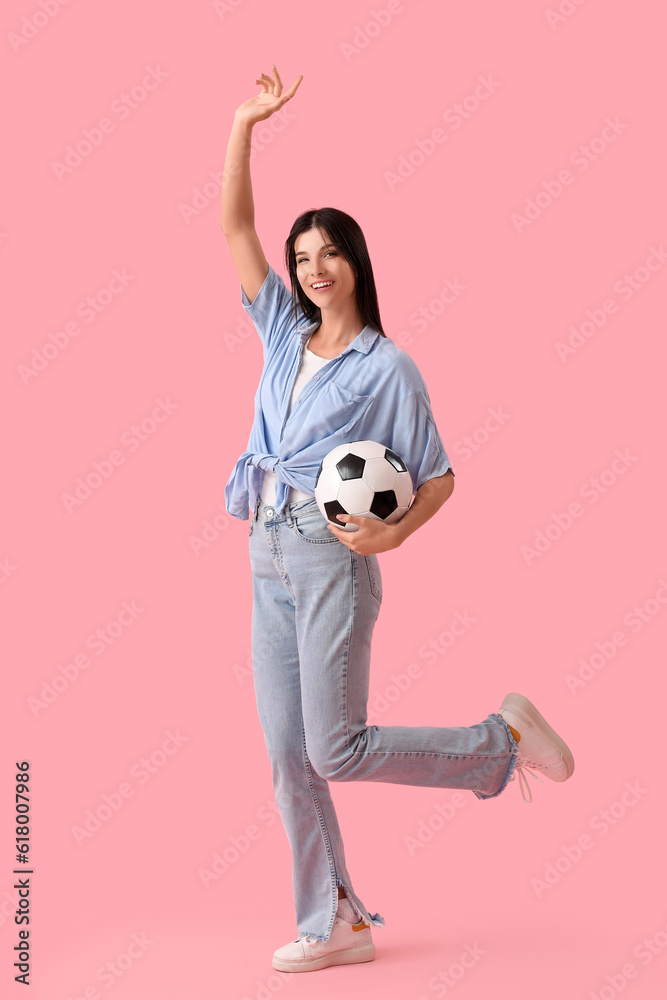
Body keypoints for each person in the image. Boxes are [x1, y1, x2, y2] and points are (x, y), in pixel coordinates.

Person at [220, 65, 575, 974]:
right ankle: (332, 920)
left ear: (355, 261)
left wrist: (392, 532)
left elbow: (442, 475)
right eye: (301, 258)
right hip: (264, 549)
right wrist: (244, 125)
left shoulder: (388, 367)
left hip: (330, 558)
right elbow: (232, 227)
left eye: (326, 252)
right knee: (287, 756)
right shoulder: (277, 334)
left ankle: (498, 741)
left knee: (334, 748)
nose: (310, 268)